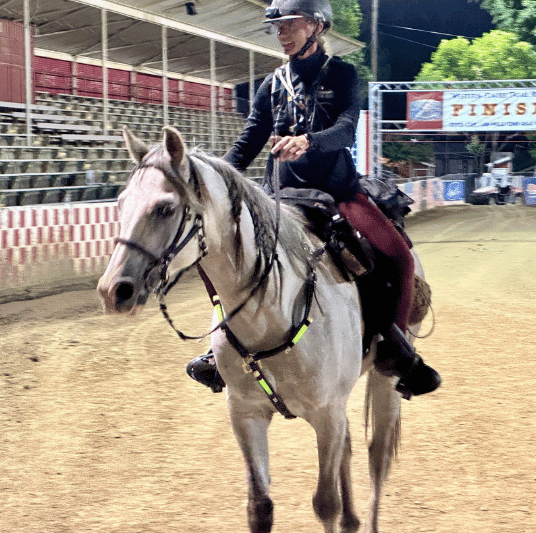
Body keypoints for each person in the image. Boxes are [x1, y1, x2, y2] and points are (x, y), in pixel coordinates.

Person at [186, 0, 441, 398]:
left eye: (290, 25)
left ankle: (394, 344)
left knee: (400, 256)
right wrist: (213, 176)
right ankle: (218, 346)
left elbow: (345, 129)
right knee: (217, 252)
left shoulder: (341, 75)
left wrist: (308, 142)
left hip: (337, 194)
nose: (282, 34)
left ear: (316, 27)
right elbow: (251, 139)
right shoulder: (271, 85)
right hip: (280, 197)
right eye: (278, 27)